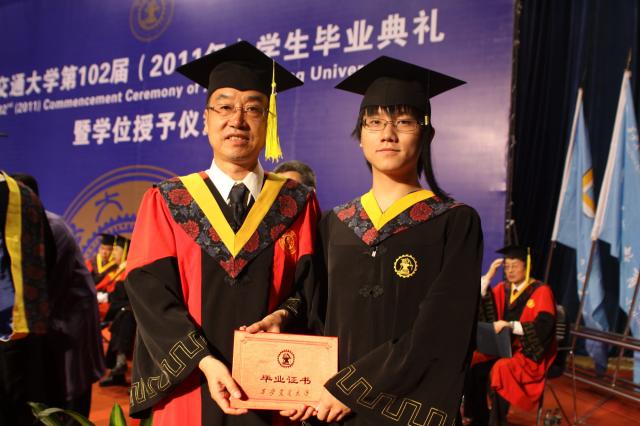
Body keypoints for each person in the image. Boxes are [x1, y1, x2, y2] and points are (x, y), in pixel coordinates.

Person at [124, 41, 320, 426]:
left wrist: (283, 315)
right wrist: (203, 361)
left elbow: (312, 292)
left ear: (268, 121)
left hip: (273, 392)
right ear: (205, 119)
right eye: (225, 107)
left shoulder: (297, 203)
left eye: (253, 108)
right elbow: (150, 295)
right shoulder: (168, 201)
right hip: (190, 386)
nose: (238, 120)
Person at [306, 56, 484, 424]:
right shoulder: (335, 223)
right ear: (360, 138)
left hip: (404, 411)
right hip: (333, 409)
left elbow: (443, 327)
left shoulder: (454, 222)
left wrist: (353, 388)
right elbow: (314, 314)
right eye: (374, 123)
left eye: (403, 121)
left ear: (426, 134)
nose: (387, 134)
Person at [11, 173, 106, 417]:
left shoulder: (52, 227)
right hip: (51, 318)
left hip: (71, 314)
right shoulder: (23, 226)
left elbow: (48, 284)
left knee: (72, 385)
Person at [464, 245, 557, 426]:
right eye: (507, 266)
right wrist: (488, 277)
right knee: (474, 360)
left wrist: (511, 325)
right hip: (502, 348)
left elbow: (544, 327)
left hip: (528, 352)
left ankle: (497, 421)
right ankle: (478, 417)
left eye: (515, 265)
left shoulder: (541, 291)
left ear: (527, 266)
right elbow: (485, 312)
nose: (510, 270)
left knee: (502, 368)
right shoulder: (503, 288)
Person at [0, 171, 55, 424]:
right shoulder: (25, 195)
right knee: (25, 398)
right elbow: (49, 256)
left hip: (7, 318)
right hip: (27, 318)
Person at [100, 235, 135, 387]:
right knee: (121, 316)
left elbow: (125, 296)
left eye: (116, 250)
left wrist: (107, 298)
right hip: (121, 309)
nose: (113, 253)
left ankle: (120, 364)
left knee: (124, 315)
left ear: (125, 252)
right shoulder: (119, 269)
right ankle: (118, 368)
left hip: (131, 311)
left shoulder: (129, 269)